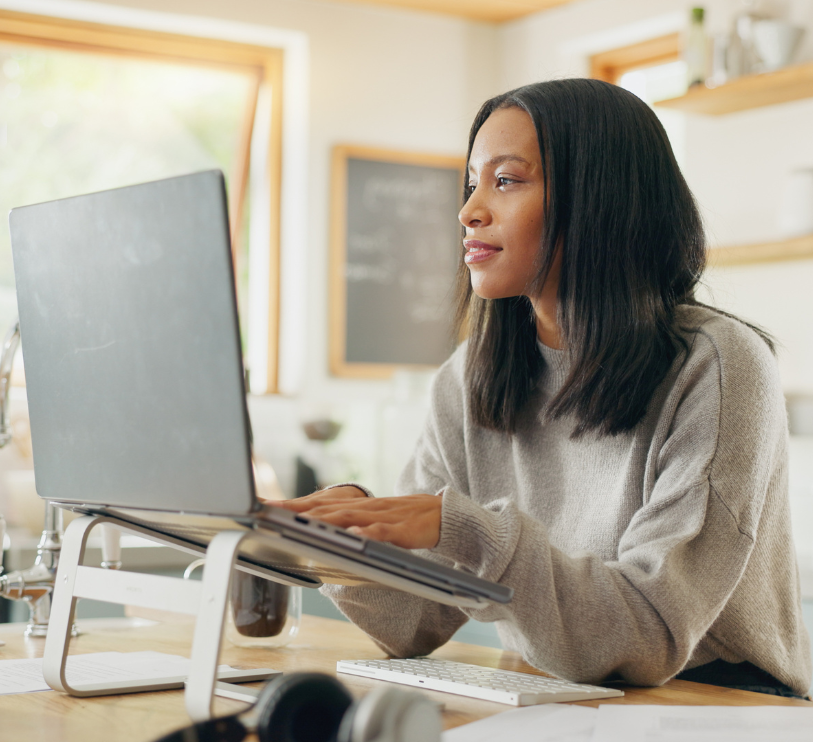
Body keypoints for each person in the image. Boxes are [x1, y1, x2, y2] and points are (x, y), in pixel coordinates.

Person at [270, 79, 812, 697]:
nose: (469, 210)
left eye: (506, 180)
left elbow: (648, 633)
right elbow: (417, 621)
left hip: (720, 705)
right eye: (472, 182)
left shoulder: (718, 367)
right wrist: (340, 538)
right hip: (561, 694)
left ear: (599, 200)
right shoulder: (469, 374)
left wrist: (467, 530)